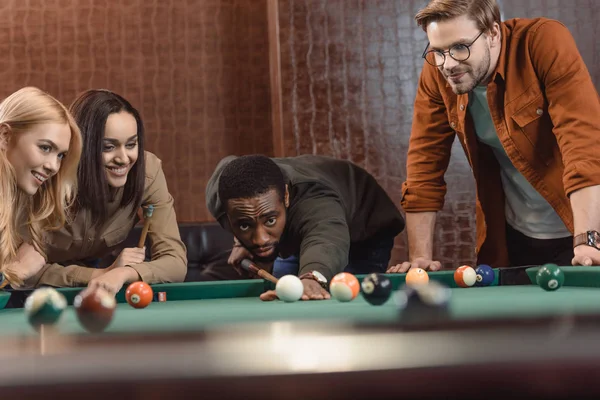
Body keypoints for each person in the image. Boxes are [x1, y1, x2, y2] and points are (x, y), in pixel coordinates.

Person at [387, 0, 600, 274]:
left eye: (460, 48)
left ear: (493, 34)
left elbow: (583, 145)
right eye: (438, 51)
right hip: (517, 237)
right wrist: (419, 259)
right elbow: (424, 167)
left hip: (584, 230)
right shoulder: (439, 73)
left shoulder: (543, 41)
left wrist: (588, 239)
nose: (448, 64)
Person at [20, 89, 187, 295]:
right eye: (108, 147)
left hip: (99, 283)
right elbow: (24, 271)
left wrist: (124, 273)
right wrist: (101, 274)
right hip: (38, 292)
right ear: (81, 147)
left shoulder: (147, 172)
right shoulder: (44, 175)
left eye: (131, 144)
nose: (124, 158)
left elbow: (175, 262)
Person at [206, 154, 405, 301]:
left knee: (337, 299)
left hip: (363, 229)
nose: (260, 240)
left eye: (270, 221)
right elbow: (229, 162)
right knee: (285, 296)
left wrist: (313, 277)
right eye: (244, 224)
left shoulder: (315, 199)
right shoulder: (222, 194)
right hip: (301, 232)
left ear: (285, 197)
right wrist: (240, 241)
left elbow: (327, 238)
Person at [0, 86, 82, 288]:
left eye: (60, 155)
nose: (53, 166)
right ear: (4, 136)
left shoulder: (21, 204)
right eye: (45, 148)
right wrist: (16, 271)